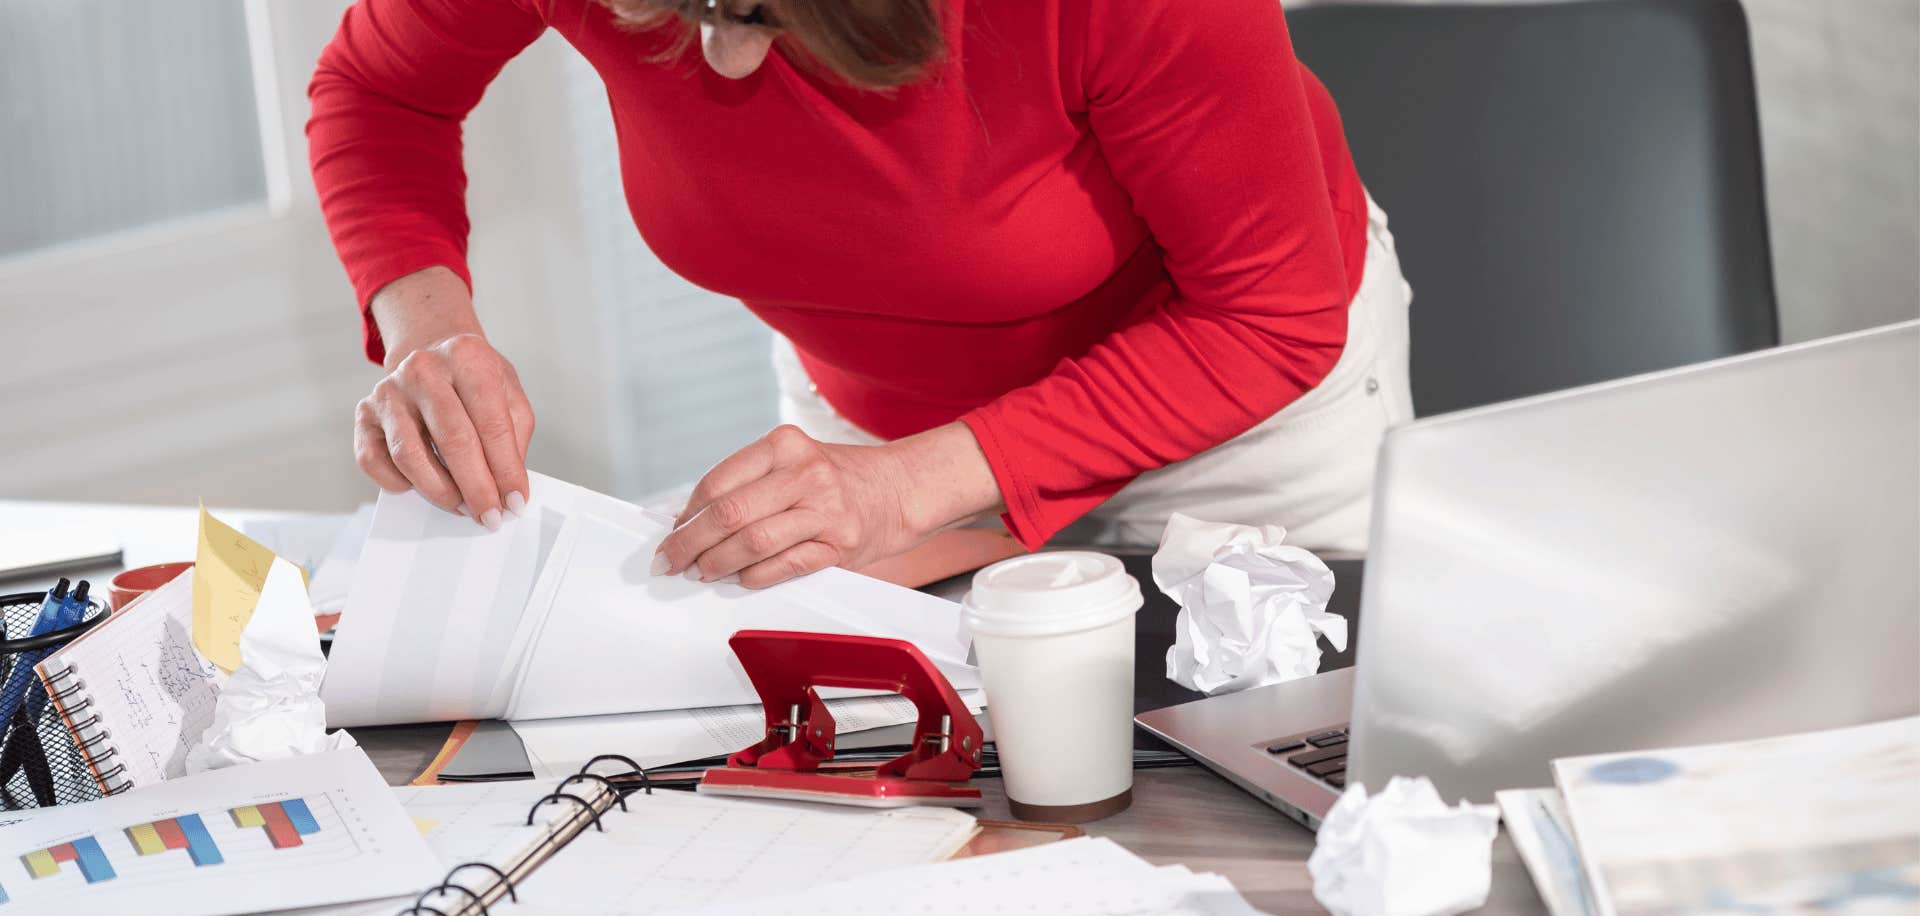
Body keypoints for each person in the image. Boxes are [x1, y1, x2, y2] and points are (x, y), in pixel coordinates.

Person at [312, 0, 1413, 588]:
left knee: (1268, 790)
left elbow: (1266, 315)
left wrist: (906, 488)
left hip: (1233, 414)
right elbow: (378, 88)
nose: (721, 58)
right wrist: (427, 328)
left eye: (753, 6)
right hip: (875, 431)